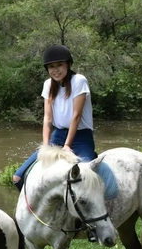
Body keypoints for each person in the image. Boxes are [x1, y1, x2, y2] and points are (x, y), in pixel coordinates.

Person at [12, 44, 96, 190]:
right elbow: (48, 118)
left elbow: (76, 116)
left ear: (68, 65)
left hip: (81, 137)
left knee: (87, 175)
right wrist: (45, 146)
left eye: (59, 65)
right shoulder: (48, 85)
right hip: (57, 136)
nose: (55, 70)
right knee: (18, 177)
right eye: (51, 67)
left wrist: (67, 145)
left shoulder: (79, 81)